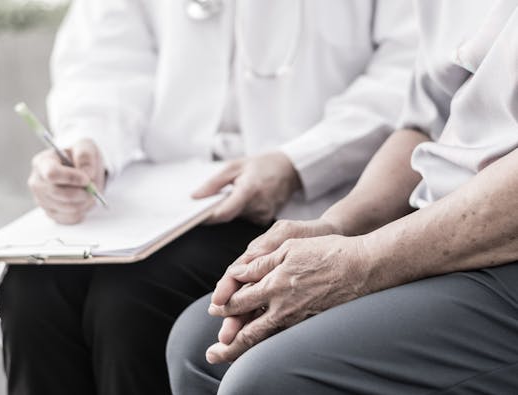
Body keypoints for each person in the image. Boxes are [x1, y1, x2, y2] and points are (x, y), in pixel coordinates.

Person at [0, 1, 417, 394]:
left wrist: (298, 161)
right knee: (32, 287)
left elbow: (408, 68)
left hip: (312, 196)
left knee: (133, 300)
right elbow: (106, 58)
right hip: (157, 193)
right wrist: (89, 143)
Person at [166, 1, 518, 394]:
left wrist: (363, 260)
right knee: (199, 342)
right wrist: (338, 226)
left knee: (270, 380)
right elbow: (424, 127)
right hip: (436, 225)